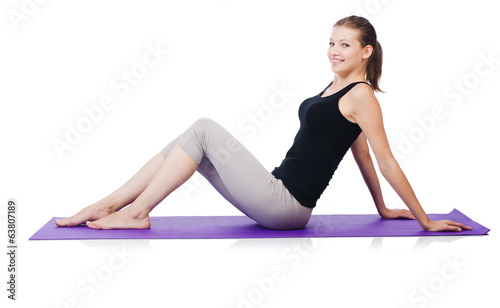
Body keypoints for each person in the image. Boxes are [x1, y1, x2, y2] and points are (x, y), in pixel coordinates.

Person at [55, 15, 471, 232]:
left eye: (345, 44)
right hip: (275, 191)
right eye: (331, 42)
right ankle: (110, 205)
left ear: (367, 52)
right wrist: (381, 208)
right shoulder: (334, 88)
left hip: (287, 206)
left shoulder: (361, 95)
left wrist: (425, 220)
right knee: (188, 142)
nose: (334, 50)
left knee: (203, 127)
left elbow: (385, 160)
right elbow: (358, 152)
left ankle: (136, 211)